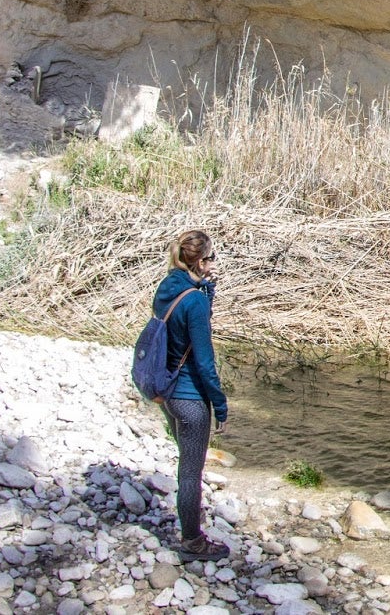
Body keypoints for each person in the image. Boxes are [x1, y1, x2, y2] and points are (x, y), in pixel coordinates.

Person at [154, 229, 231, 562]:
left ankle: (189, 526)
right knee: (190, 473)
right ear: (200, 262)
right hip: (191, 399)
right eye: (210, 258)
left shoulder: (169, 287)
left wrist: (206, 291)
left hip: (167, 391)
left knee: (185, 463)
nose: (213, 263)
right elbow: (204, 361)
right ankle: (192, 541)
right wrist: (220, 404)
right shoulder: (194, 300)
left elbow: (184, 326)